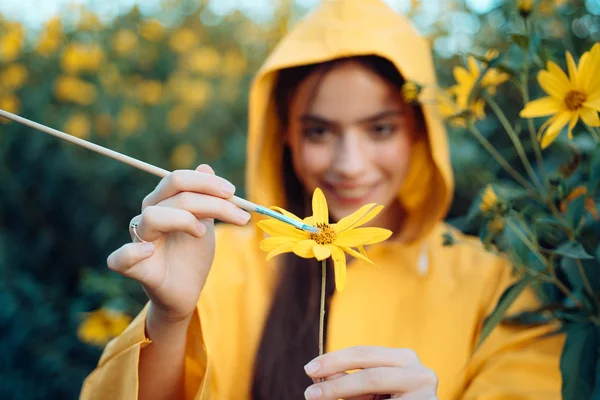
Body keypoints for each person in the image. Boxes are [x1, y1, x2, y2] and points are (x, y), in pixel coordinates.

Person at [79, 0, 564, 399]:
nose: (351, 164)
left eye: (380, 128)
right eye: (318, 131)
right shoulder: (215, 262)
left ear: (419, 131)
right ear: (283, 136)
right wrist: (171, 319)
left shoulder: (497, 285)